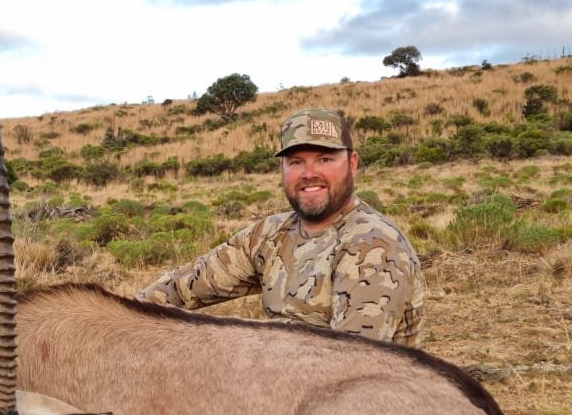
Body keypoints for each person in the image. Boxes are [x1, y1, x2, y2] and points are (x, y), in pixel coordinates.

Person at [138, 108, 426, 347]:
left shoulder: (374, 245)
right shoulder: (269, 235)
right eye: (296, 162)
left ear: (352, 164)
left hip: (359, 408)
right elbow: (180, 288)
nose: (309, 173)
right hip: (284, 391)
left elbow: (352, 366)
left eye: (325, 159)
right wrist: (109, 317)